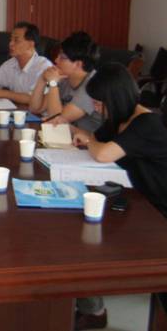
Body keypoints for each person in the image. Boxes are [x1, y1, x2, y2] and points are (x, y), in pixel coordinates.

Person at [71, 63, 167, 330]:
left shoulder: (146, 122)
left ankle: (93, 310)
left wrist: (88, 140)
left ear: (115, 98)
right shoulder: (119, 120)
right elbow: (96, 138)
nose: (96, 108)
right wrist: (87, 138)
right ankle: (91, 309)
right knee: (78, 234)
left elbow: (102, 153)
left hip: (159, 212)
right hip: (139, 202)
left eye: (99, 103)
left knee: (84, 240)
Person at [29, 31, 102, 132]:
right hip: (67, 136)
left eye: (62, 57)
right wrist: (42, 79)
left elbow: (56, 121)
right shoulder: (65, 78)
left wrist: (53, 84)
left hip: (88, 140)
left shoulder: (93, 85)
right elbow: (35, 109)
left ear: (78, 64)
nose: (56, 60)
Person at [0, 22, 52, 104]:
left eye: (16, 40)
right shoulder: (11, 63)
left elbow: (35, 100)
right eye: (11, 40)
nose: (10, 44)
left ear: (31, 44)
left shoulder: (43, 66)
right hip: (17, 108)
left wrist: (3, 93)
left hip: (35, 112)